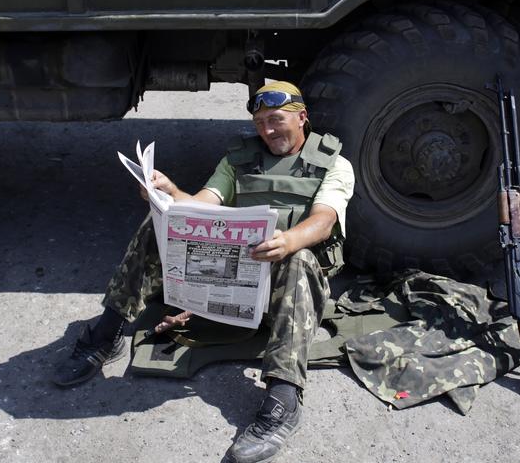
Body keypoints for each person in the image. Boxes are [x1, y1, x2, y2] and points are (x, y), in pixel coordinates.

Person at [52, 81, 355, 463]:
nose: (268, 130)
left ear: (302, 117)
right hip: (229, 276)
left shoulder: (334, 162)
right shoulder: (238, 160)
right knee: (155, 223)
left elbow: (324, 221)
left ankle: (284, 398)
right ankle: (107, 333)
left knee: (298, 259)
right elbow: (200, 206)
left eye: (276, 120)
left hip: (287, 287)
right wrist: (167, 193)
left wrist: (289, 241)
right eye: (260, 122)